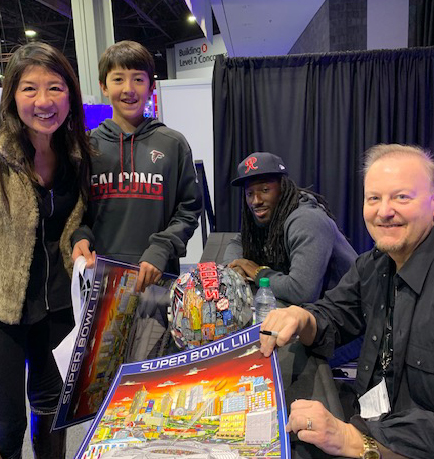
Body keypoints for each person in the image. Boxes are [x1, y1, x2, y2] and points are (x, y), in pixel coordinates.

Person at [260, 144, 434, 458]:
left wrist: (350, 439)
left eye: (401, 197)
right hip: (367, 414)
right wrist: (304, 319)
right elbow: (336, 313)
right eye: (374, 198)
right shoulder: (374, 263)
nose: (384, 211)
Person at [0, 43, 93, 459]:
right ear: (11, 96)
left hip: (55, 304)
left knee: (52, 408)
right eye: (29, 89)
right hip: (4, 306)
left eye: (54, 88)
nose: (43, 101)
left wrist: (81, 242)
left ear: (70, 95)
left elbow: (78, 220)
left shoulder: (75, 154)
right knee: (6, 420)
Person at [71, 40, 202, 292]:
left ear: (151, 86)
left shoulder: (173, 143)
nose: (128, 89)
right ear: (103, 87)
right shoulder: (86, 147)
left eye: (138, 80)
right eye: (118, 79)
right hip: (100, 280)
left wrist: (162, 248)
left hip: (157, 277)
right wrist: (81, 237)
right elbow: (77, 212)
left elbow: (189, 209)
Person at [223, 151, 357, 304]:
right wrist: (236, 268)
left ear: (282, 188)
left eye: (265, 190)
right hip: (324, 310)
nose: (256, 201)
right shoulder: (270, 215)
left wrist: (257, 272)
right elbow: (238, 242)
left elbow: (301, 292)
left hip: (350, 314)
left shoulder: (307, 220)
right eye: (249, 193)